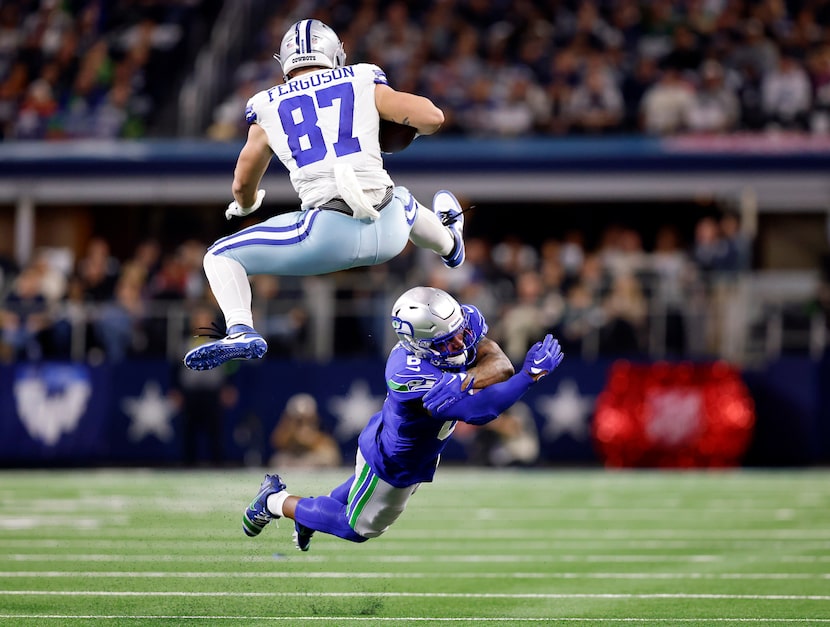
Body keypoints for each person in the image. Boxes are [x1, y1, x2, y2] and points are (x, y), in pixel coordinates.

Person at [184, 19, 466, 371]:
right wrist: (391, 126)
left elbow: (242, 182)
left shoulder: (267, 103)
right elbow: (433, 117)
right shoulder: (362, 77)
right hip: (391, 228)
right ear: (335, 54)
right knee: (404, 199)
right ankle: (450, 243)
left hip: (326, 236)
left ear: (285, 61)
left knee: (220, 256)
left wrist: (246, 205)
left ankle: (241, 327)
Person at [240, 286, 565, 551]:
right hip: (394, 460)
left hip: (395, 441)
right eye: (447, 340)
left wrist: (474, 376)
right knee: (355, 527)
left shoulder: (445, 334)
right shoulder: (408, 373)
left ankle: (308, 515)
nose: (460, 342)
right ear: (420, 343)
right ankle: (274, 501)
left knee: (357, 492)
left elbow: (490, 353)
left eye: (459, 332)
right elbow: (478, 411)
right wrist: (529, 376)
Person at [269, 393, 342, 469]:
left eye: (309, 419)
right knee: (279, 460)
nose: (304, 424)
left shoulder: (321, 433)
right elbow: (277, 442)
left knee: (326, 457)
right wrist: (294, 436)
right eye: (299, 420)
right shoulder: (286, 429)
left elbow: (331, 452)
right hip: (292, 460)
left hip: (312, 460)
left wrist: (312, 439)